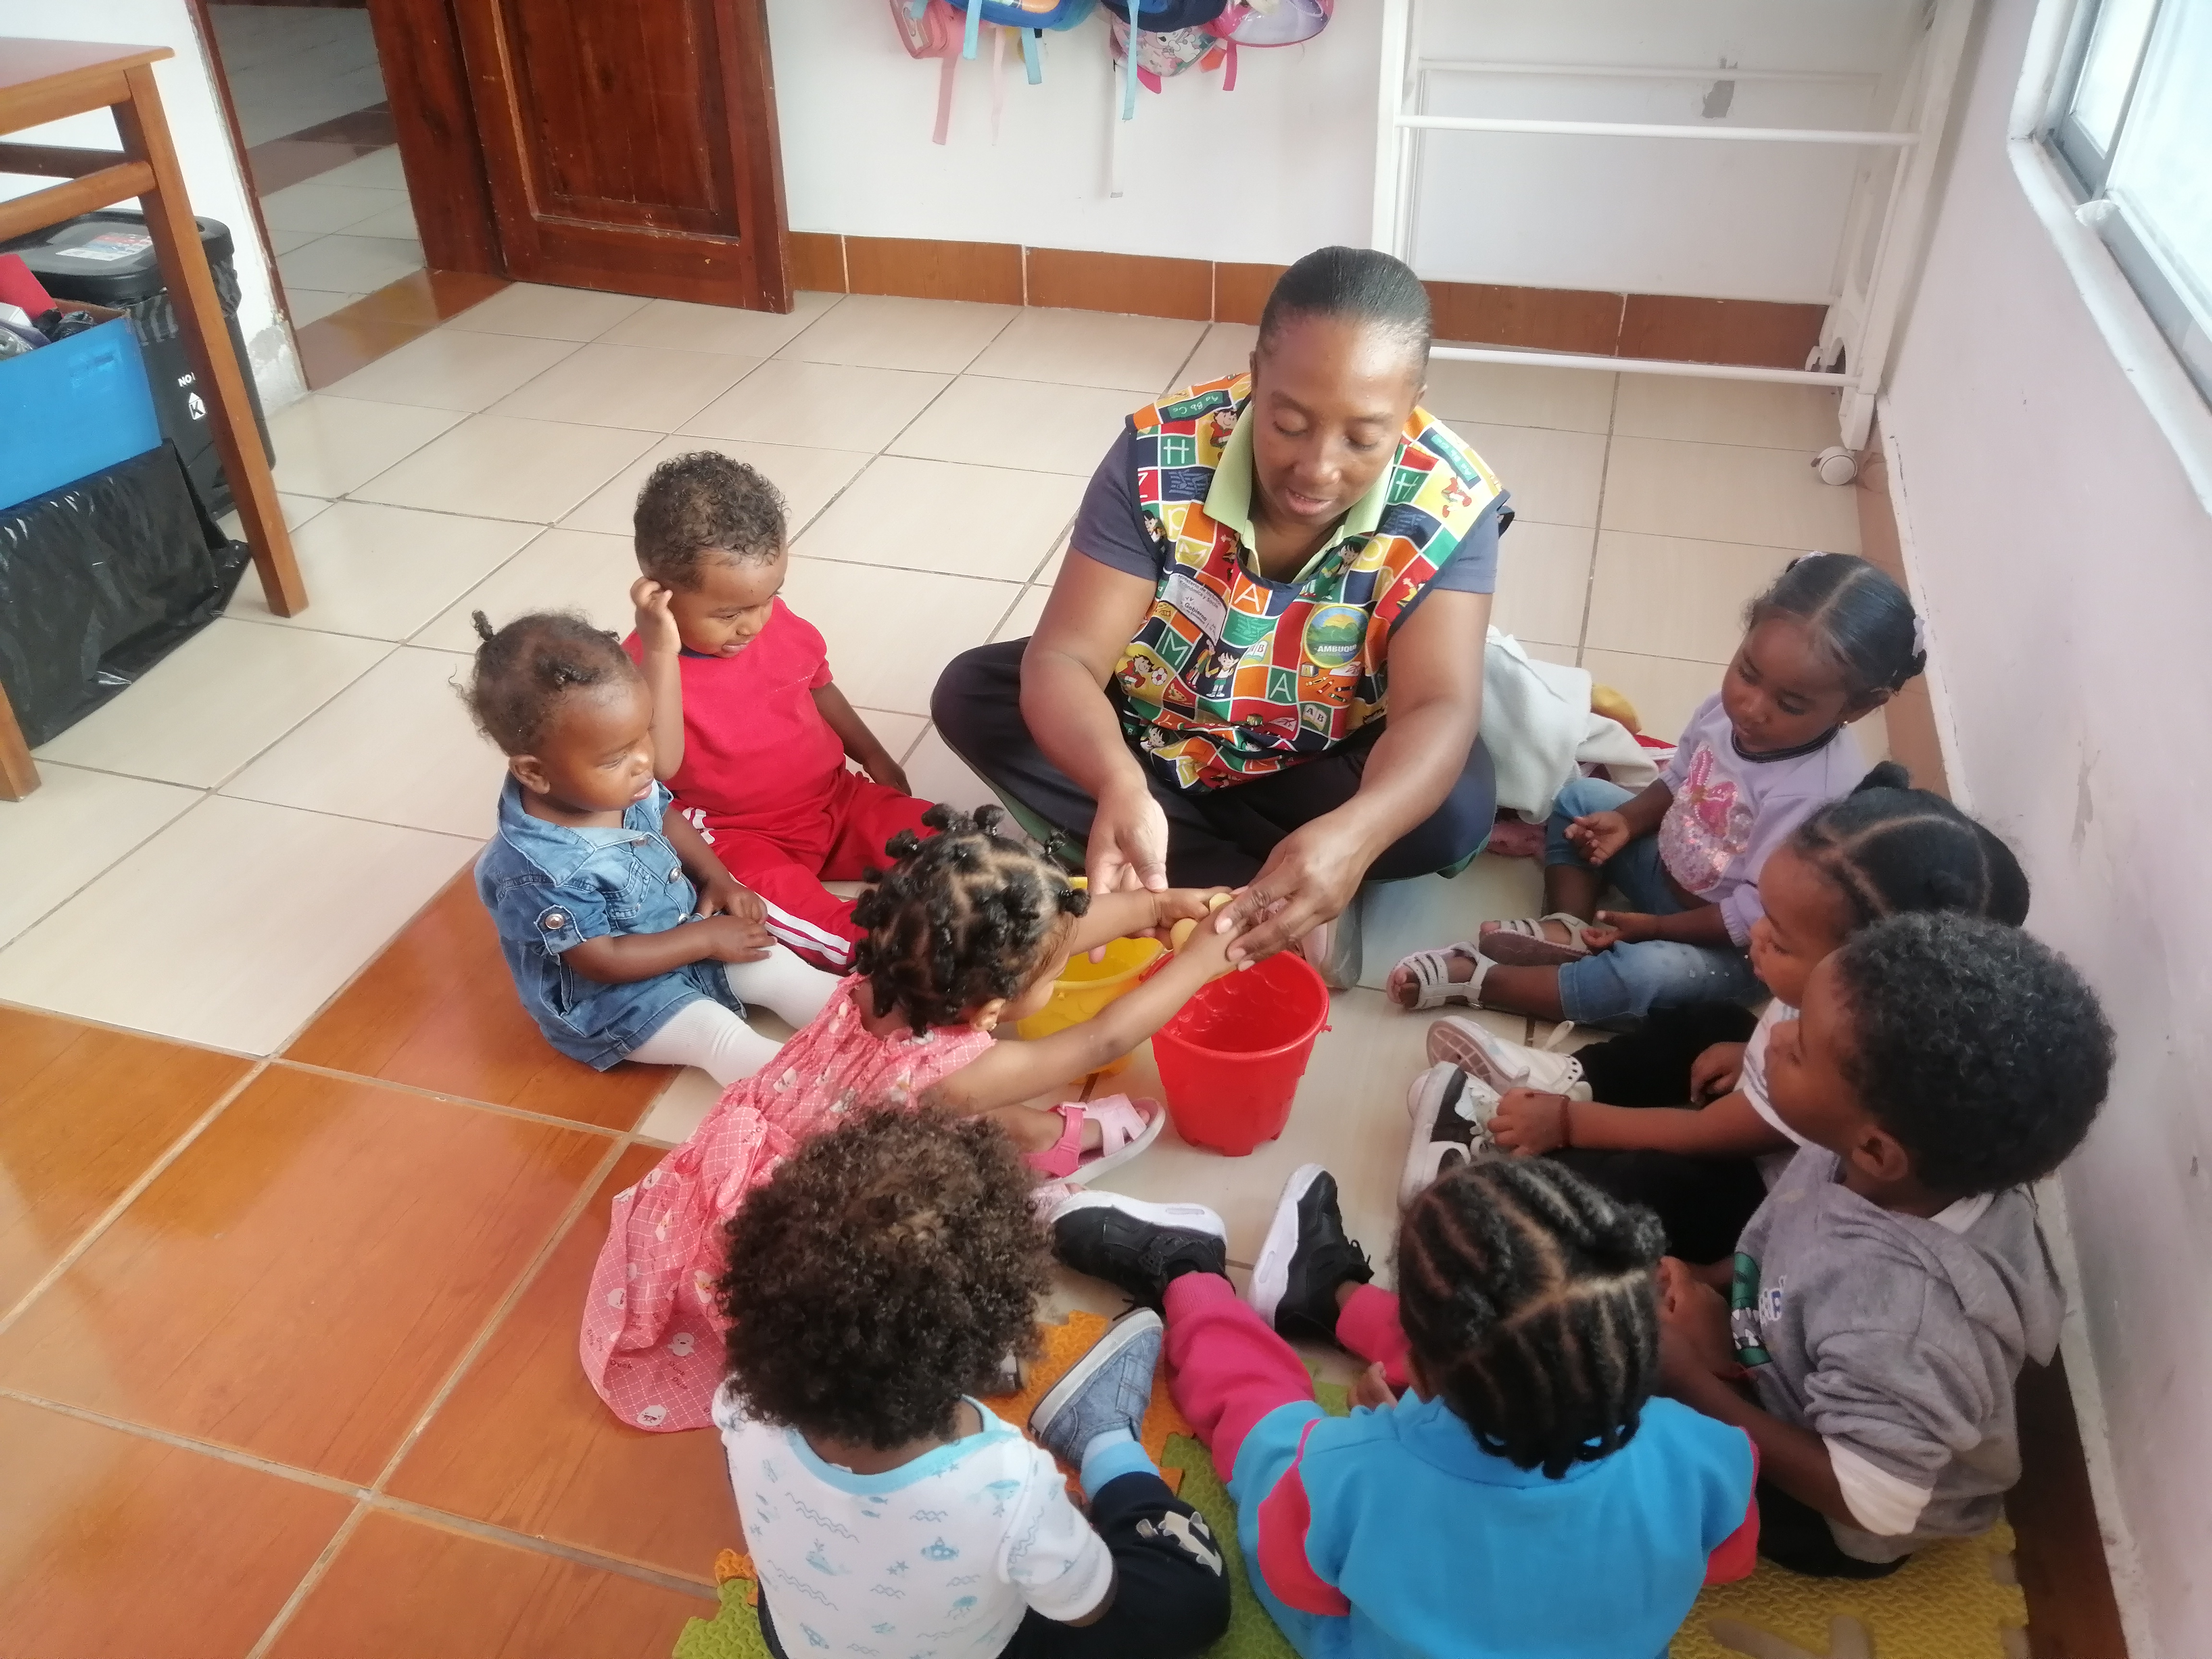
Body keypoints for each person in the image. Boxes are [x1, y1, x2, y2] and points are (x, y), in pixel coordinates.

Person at [932, 246, 1511, 983]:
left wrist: (1358, 833)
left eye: (1363, 439)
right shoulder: (1161, 454)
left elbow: (1437, 705)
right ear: (1256, 374)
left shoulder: (1451, 503)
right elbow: (1068, 658)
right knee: (976, 694)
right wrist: (1116, 781)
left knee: (1453, 804)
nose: (1318, 467)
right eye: (1289, 423)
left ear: (1413, 403)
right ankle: (1264, 892)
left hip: (1318, 754)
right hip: (1157, 725)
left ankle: (1257, 867)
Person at [582, 805, 1238, 1430]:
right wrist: (1202, 963)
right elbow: (1102, 1040)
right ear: (992, 1010)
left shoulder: (887, 975)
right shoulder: (957, 1074)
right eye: (1051, 972)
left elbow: (1041, 936)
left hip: (748, 1185)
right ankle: (950, 1354)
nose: (1057, 965)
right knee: (924, 1275)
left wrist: (1153, 908)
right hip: (830, 1244)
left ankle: (1039, 1145)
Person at [1048, 1158, 1759, 1659]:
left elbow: (1301, 1578)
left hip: (1362, 1629)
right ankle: (1313, 1291)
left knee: (1271, 1428)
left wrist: (1375, 1436)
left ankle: (1190, 1275)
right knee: (1518, 1341)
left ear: (1415, 1367)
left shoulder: (1349, 1472)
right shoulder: (1709, 1451)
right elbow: (1724, 1558)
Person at [1403, 764, 2032, 1261]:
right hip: (1763, 1109)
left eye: (1781, 939)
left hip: (1763, 1198)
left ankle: (1498, 1170)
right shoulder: (1844, 999)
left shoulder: (1855, 1072)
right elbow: (1763, 1049)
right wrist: (1746, 1052)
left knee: (1650, 1185)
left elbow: (1707, 1134)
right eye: (1766, 916)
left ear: (1868, 976)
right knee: (1713, 1025)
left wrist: (1571, 1126)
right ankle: (1569, 1079)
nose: (1755, 936)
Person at [1655, 911, 2113, 1575]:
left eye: (1800, 1048)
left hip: (1831, 1507)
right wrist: (1709, 1280)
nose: (1775, 1035)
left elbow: (1874, 1503)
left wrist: (1691, 1383)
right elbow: (1788, 1243)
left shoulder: (1905, 1319)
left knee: (1631, 1447)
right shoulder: (1886, 1157)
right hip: (1787, 1359)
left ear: (1877, 1149)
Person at [713, 1109, 1231, 1659]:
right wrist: (1043, 1527)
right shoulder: (1009, 1484)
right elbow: (1089, 1607)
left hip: (804, 1645)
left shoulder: (739, 1402)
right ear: (998, 1329)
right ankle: (1108, 1444)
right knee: (1190, 1597)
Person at [1388, 552, 1923, 1025]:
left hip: (1728, 943)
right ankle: (1570, 929)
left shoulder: (1815, 797)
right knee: (1579, 801)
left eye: (1790, 704)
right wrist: (1628, 821)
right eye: (1747, 672)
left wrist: (1655, 930)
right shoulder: (1725, 712)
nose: (1751, 708)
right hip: (1666, 869)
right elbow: (1680, 776)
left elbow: (1754, 913)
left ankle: (1487, 984)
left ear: (1859, 706)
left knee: (1645, 973)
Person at [466, 610, 839, 1086]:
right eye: (616, 757)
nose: (645, 760)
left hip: (683, 935)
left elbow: (666, 816)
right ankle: (823, 1100)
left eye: (644, 732)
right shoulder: (539, 871)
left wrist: (719, 879)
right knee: (715, 1032)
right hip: (615, 1000)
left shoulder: (617, 784)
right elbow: (603, 960)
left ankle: (879, 1028)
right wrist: (706, 941)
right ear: (535, 773)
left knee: (776, 964)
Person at [626, 451, 934, 974]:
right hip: (738, 836)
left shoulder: (777, 623)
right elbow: (663, 766)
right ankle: (905, 962)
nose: (754, 624)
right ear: (660, 596)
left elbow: (821, 689)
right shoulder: (637, 670)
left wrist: (874, 756)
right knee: (810, 920)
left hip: (836, 800)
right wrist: (660, 650)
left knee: (950, 842)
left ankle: (991, 918)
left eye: (770, 598)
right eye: (729, 614)